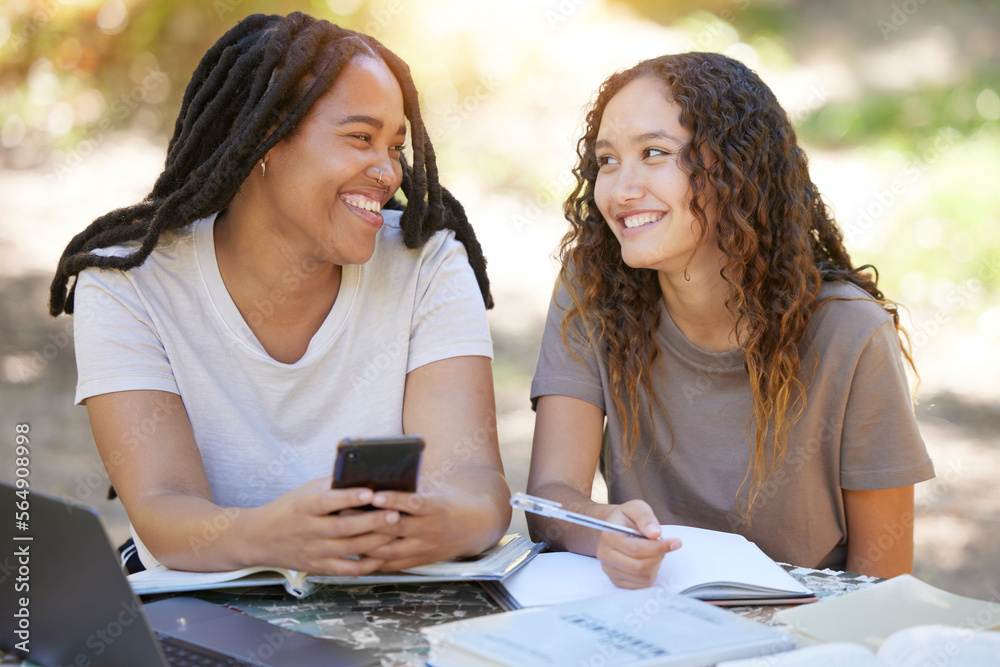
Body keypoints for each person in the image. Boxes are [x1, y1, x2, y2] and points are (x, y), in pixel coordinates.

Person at [49, 12, 510, 576]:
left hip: (385, 603)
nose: (388, 172)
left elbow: (478, 487)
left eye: (395, 147)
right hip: (204, 608)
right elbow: (162, 508)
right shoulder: (129, 280)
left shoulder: (428, 263)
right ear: (264, 137)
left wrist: (445, 524)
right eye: (360, 138)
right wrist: (275, 537)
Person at [526, 52, 934, 588]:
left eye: (654, 153)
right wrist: (603, 529)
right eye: (606, 160)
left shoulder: (850, 334)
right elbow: (550, 498)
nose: (622, 189)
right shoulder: (594, 288)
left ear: (738, 170)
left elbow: (884, 584)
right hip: (650, 619)